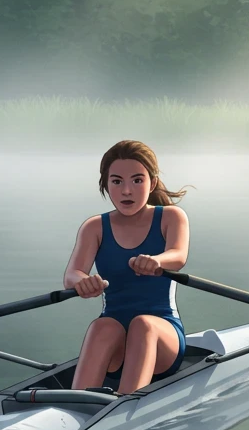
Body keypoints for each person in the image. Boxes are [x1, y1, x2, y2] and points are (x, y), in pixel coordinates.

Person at [64, 140, 190, 395]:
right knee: (102, 326)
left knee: (143, 325)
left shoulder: (171, 217)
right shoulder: (95, 227)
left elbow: (178, 256)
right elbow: (72, 273)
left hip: (163, 337)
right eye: (117, 181)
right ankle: (74, 404)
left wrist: (157, 261)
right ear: (106, 185)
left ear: (151, 183)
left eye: (137, 180)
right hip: (115, 346)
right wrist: (82, 282)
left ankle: (127, 403)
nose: (127, 191)